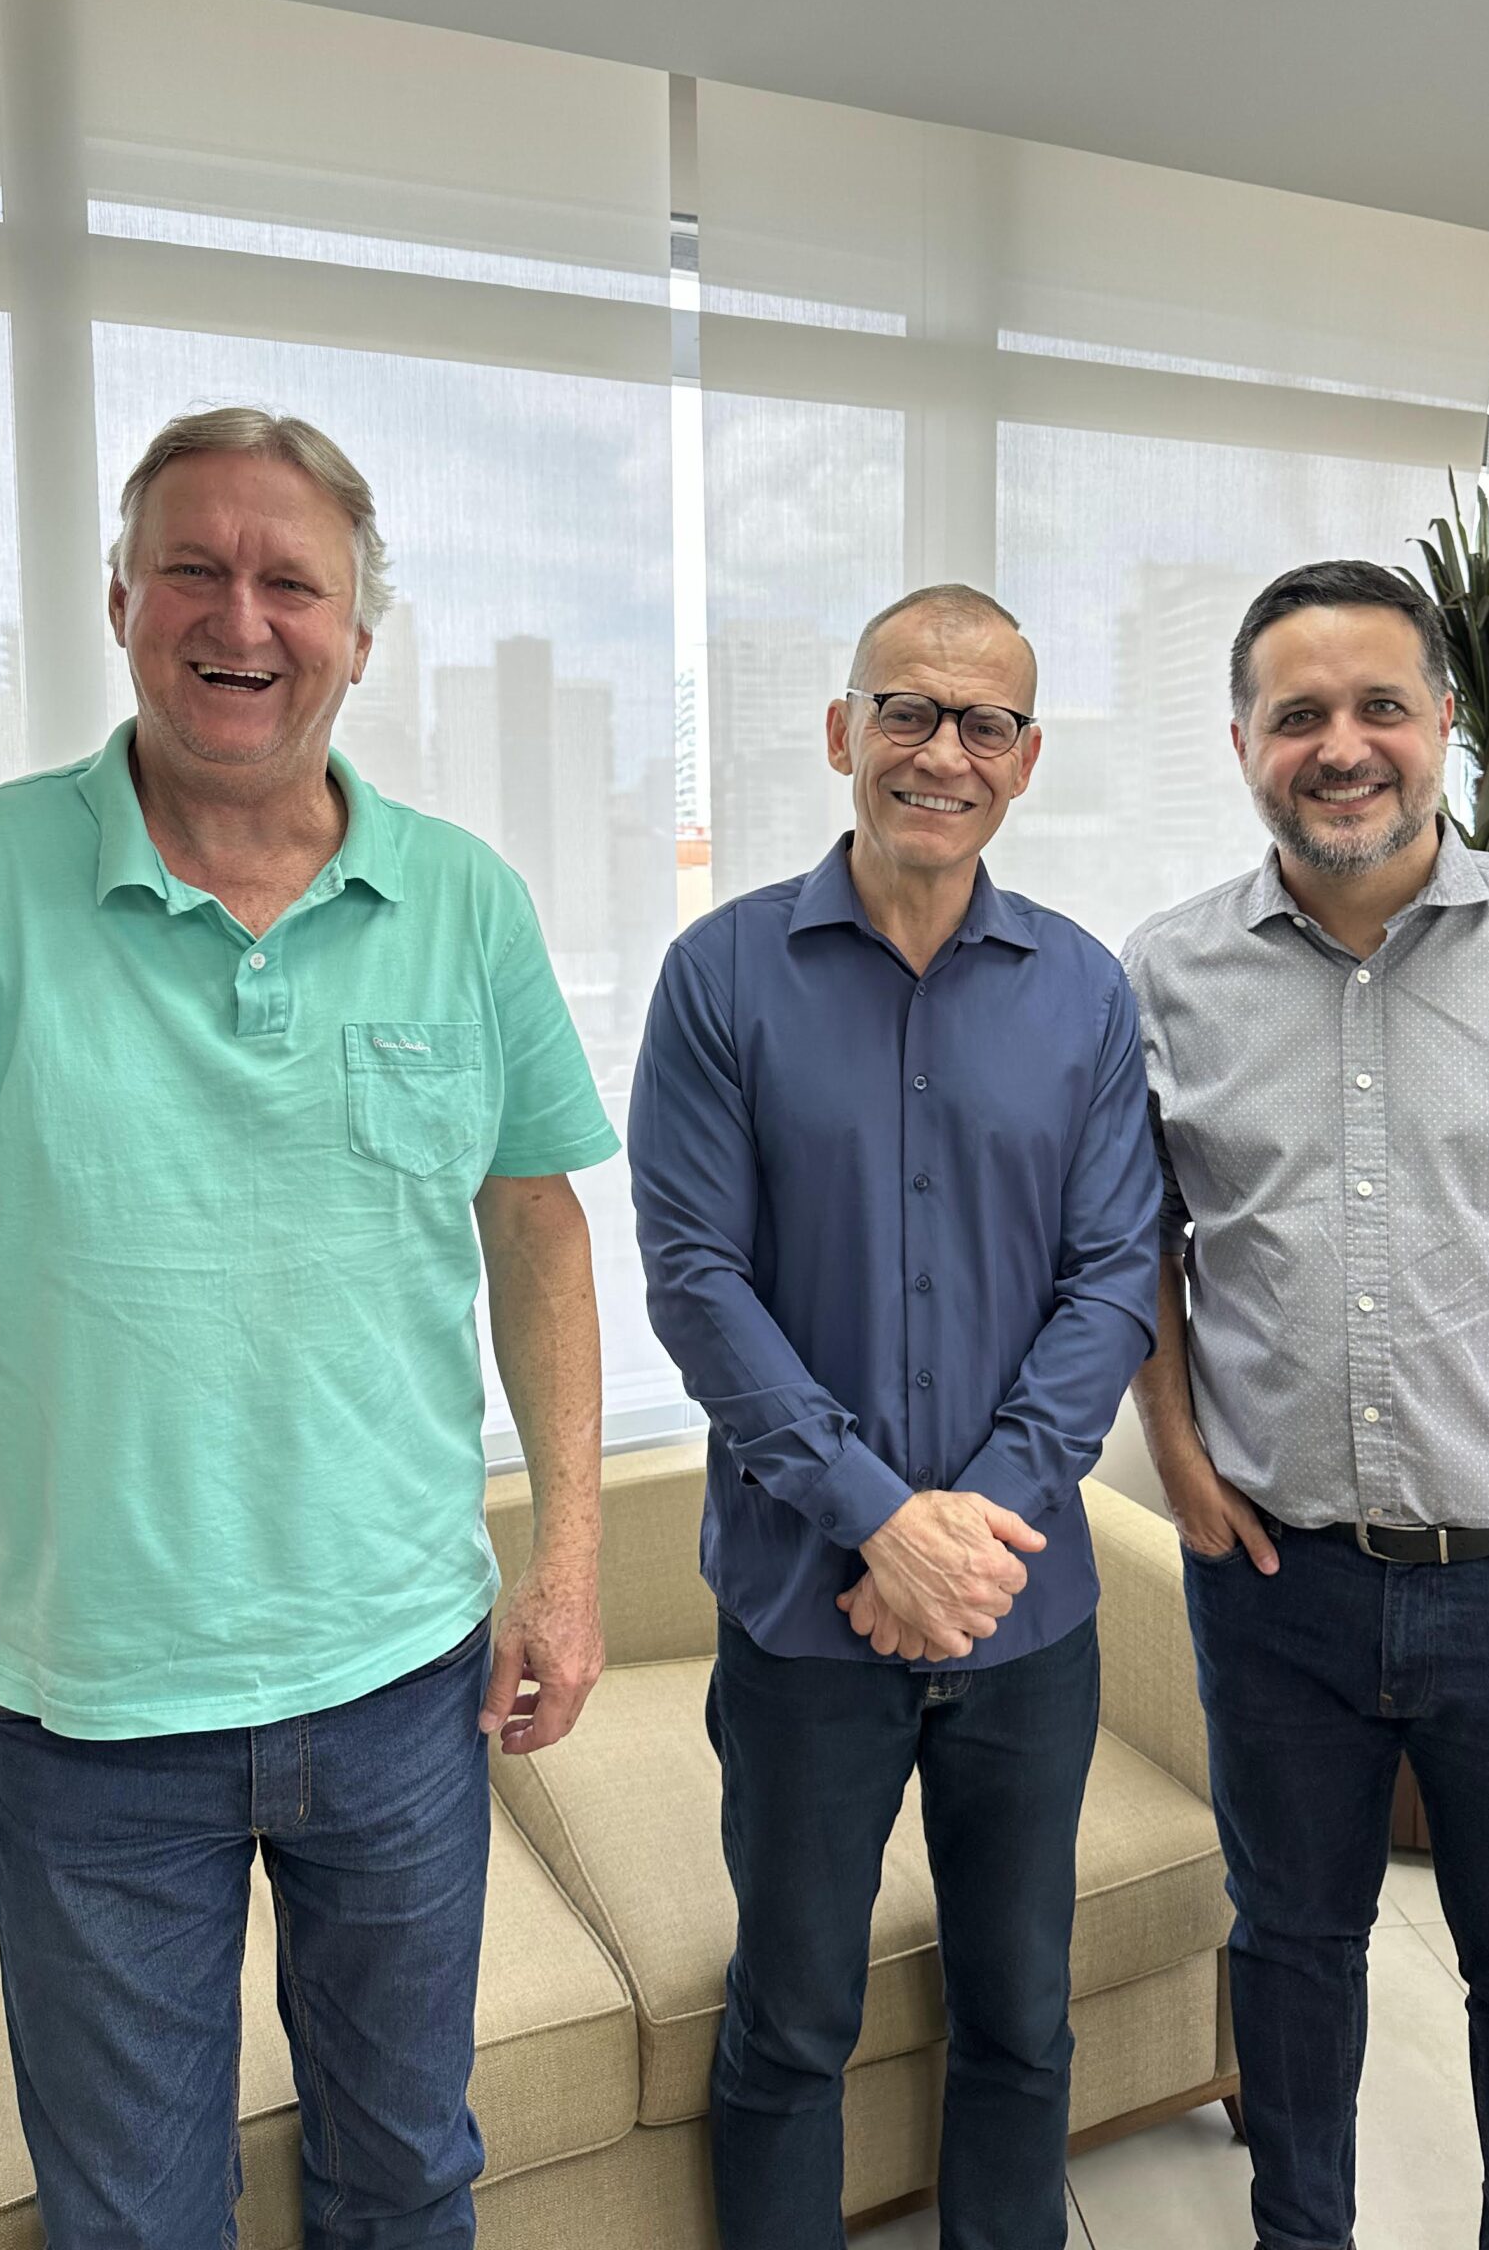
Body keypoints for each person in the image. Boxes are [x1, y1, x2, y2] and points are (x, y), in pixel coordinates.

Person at [0, 407, 620, 2249]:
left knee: (406, 2179)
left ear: (358, 631)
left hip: (404, 1682)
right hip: (90, 1708)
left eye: (289, 582)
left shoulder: (465, 902)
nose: (239, 618)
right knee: (133, 2219)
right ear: (120, 603)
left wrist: (567, 1564)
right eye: (192, 568)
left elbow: (538, 1233)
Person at [1122, 559, 1489, 2250]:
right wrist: (1177, 1454)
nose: (1342, 745)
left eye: (1380, 705)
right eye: (1297, 713)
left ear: (1444, 723)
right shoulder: (1162, 978)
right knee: (1289, 1954)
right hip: (1278, 1590)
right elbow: (1132, 1243)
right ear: (1242, 741)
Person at [628, 582, 1159, 2250]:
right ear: (841, 731)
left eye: (984, 722)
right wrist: (876, 1520)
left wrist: (969, 1534)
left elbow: (1114, 1279)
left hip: (1023, 1613)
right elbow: (697, 1278)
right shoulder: (721, 976)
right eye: (908, 712)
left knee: (1022, 2017)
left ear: (1027, 758)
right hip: (805, 1615)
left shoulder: (1084, 992)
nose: (943, 752)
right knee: (792, 2023)